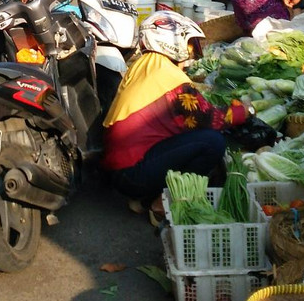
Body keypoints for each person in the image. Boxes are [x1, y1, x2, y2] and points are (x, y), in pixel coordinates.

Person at [103, 12, 249, 214]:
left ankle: (145, 196)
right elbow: (211, 120)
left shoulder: (146, 65)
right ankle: (160, 204)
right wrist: (245, 111)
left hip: (120, 168)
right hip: (132, 173)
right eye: (189, 44)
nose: (190, 52)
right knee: (212, 142)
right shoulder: (170, 77)